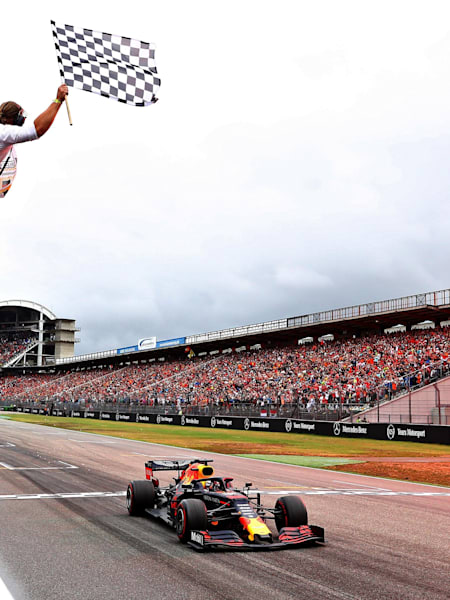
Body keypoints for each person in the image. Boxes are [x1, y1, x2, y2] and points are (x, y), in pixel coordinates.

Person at [0, 84, 69, 197]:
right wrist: (58, 100)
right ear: (12, 119)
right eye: (20, 116)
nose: (23, 119)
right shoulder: (4, 133)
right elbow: (36, 130)